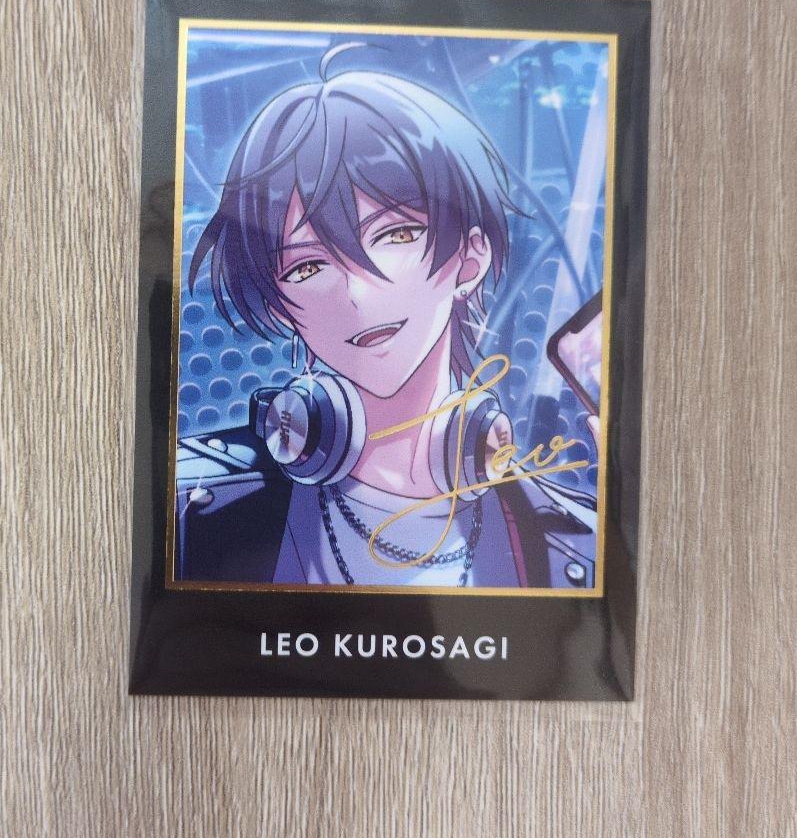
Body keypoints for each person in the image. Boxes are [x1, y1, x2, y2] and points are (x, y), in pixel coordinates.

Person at [178, 48, 597, 588]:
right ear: (281, 304)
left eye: (395, 234)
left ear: (469, 260)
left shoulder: (574, 544)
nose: (356, 293)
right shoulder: (193, 507)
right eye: (308, 266)